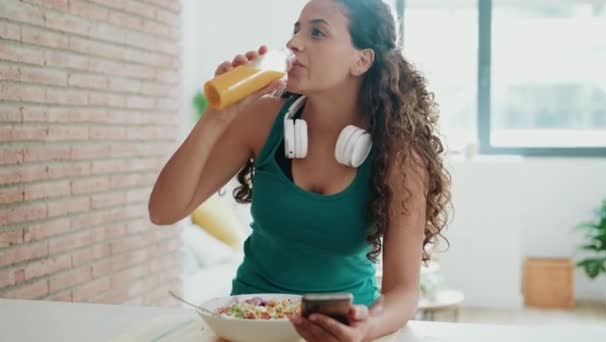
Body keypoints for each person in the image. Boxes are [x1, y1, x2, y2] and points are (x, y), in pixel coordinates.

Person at [148, 0, 451, 340]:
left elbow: (403, 292)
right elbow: (163, 210)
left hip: (342, 331)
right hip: (249, 326)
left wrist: (366, 327)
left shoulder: (399, 152)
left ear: (361, 59)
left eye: (317, 32)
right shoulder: (261, 121)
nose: (294, 42)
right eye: (296, 29)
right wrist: (217, 116)